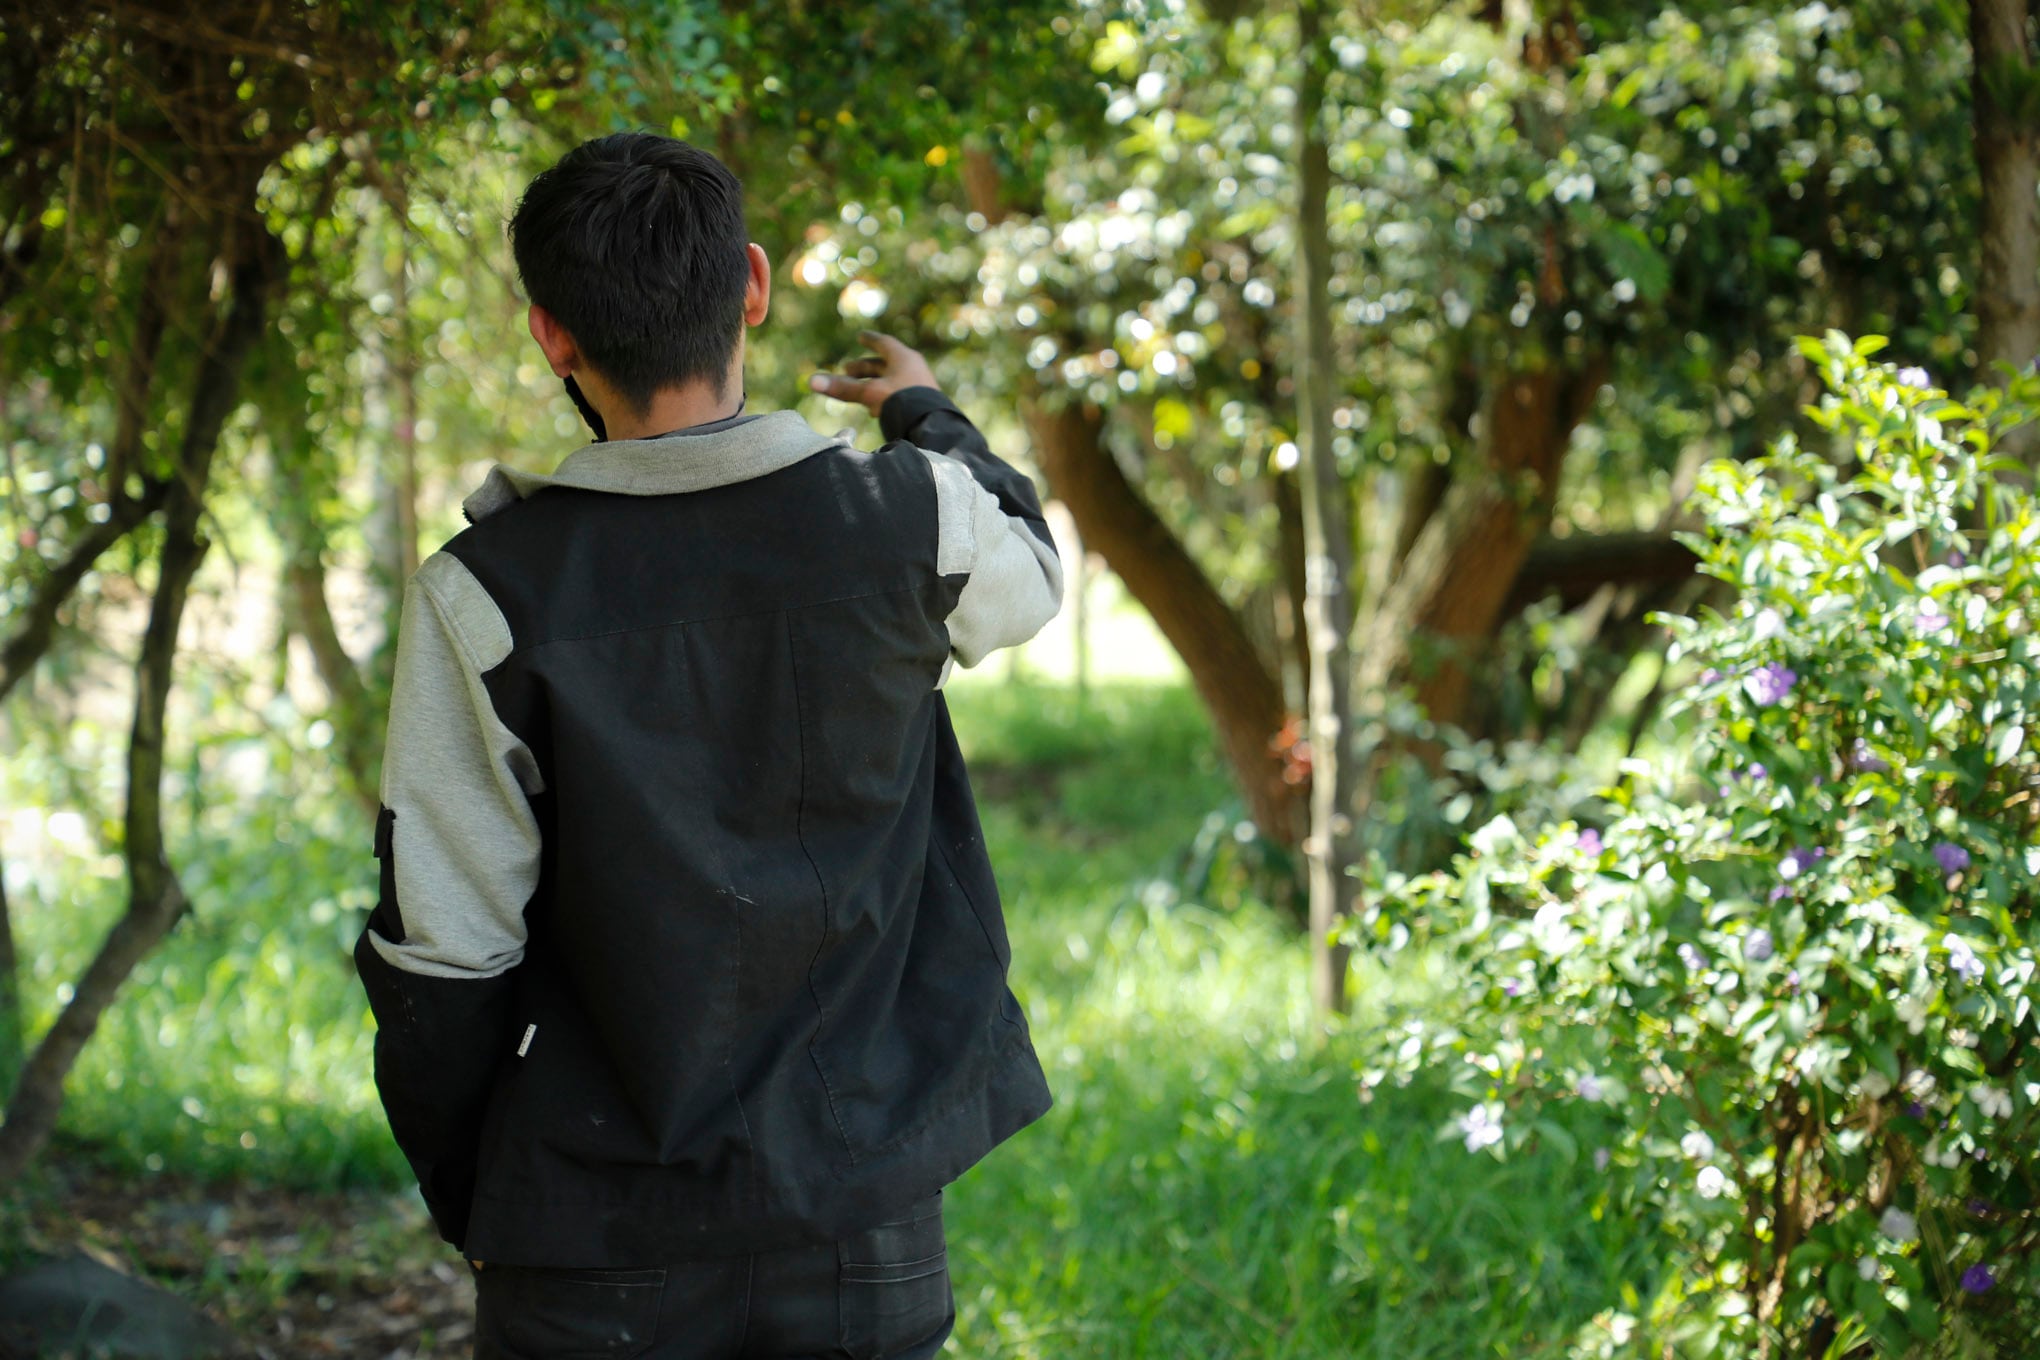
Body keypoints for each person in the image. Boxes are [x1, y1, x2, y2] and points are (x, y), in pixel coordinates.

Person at [352, 130, 1063, 1359]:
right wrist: (926, 413)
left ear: (551, 336)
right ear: (753, 283)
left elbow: (447, 955)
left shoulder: (485, 596)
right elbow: (1030, 566)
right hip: (862, 1216)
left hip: (586, 1234)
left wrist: (480, 1196)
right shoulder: (912, 521)